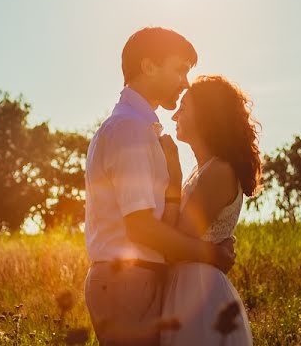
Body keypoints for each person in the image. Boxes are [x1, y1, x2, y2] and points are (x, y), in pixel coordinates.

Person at [83, 27, 236, 346]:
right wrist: (210, 255)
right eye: (179, 69)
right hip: (128, 280)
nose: (184, 83)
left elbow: (153, 219)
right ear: (149, 66)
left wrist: (175, 180)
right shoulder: (130, 131)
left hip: (134, 279)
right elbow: (141, 228)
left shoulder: (137, 128)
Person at [158, 74, 261, 346]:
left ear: (205, 115)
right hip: (188, 287)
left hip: (200, 292)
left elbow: (176, 242)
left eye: (184, 107)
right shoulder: (204, 171)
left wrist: (173, 174)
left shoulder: (218, 172)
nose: (175, 115)